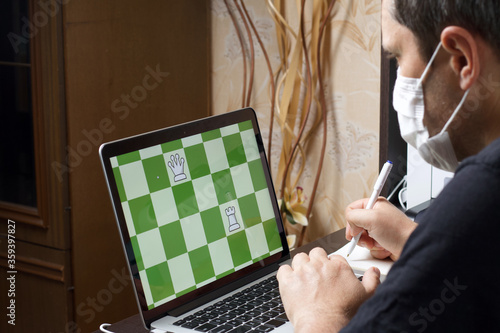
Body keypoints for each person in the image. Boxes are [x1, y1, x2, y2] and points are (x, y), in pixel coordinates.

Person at [276, 0, 500, 331]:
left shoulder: (483, 193)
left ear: (461, 58)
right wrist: (416, 241)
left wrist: (318, 313)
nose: (397, 73)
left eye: (396, 56)